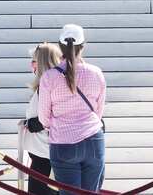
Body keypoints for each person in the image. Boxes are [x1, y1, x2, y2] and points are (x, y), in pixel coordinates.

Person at [39, 24, 106, 194]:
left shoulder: (49, 77)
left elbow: (43, 118)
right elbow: (98, 111)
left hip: (63, 141)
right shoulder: (96, 73)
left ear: (60, 46)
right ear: (83, 46)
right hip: (93, 138)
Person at [18, 43, 62, 195]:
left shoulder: (47, 85)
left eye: (34, 60)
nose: (31, 64)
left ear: (42, 62)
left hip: (45, 156)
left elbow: (48, 117)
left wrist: (31, 124)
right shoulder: (56, 83)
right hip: (46, 153)